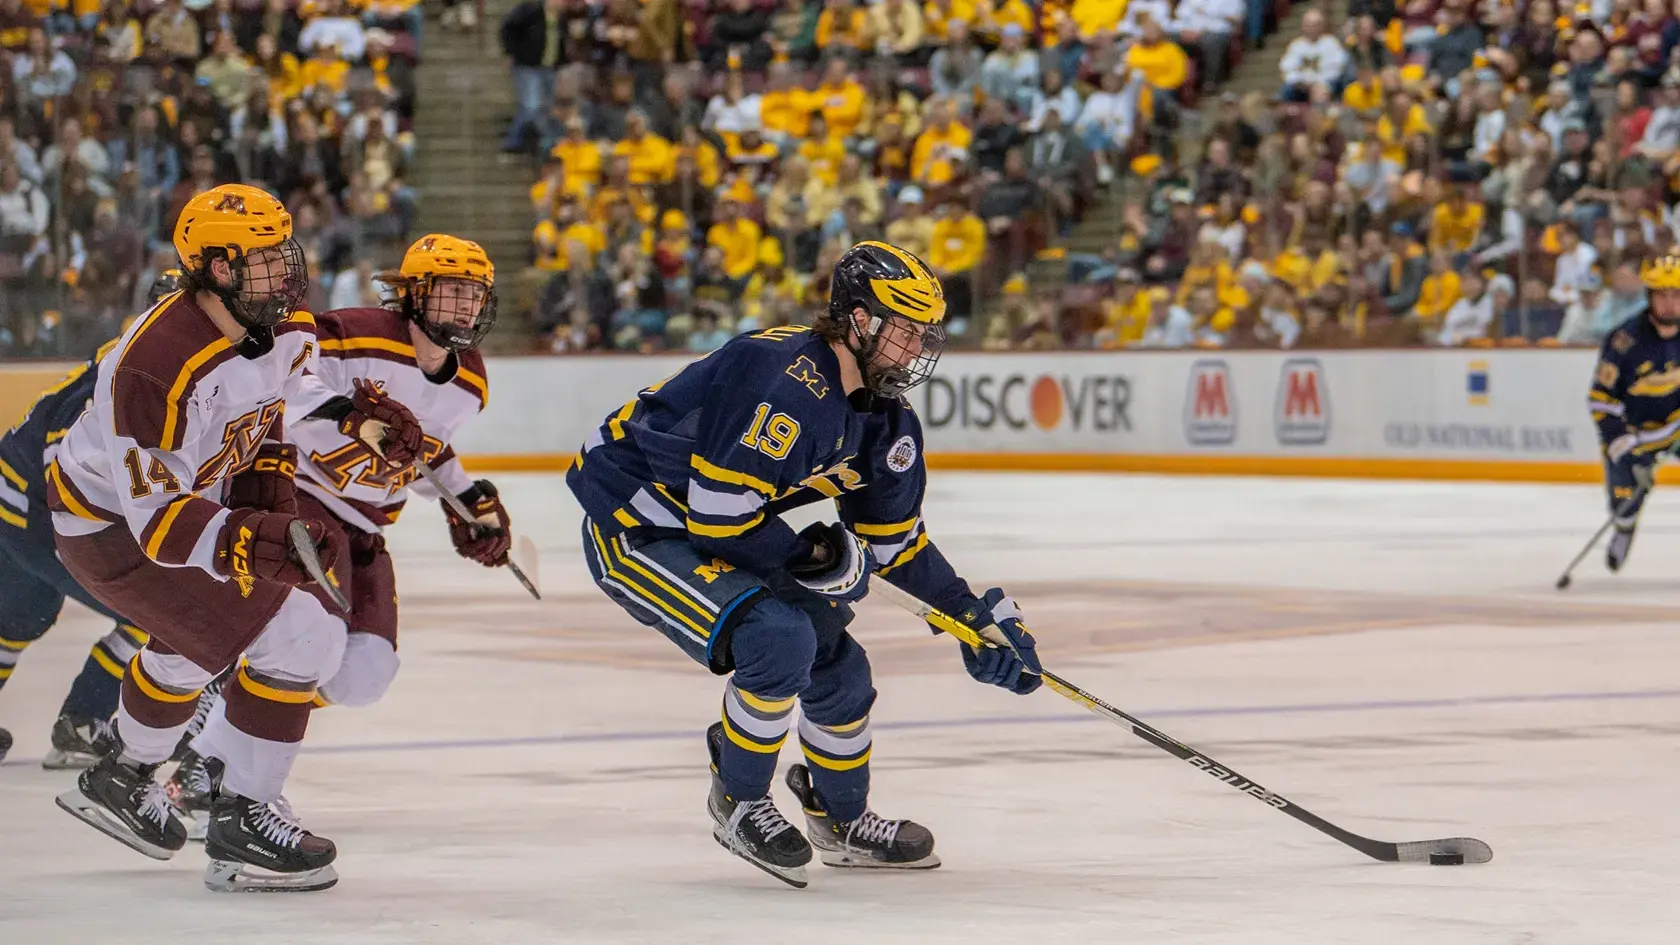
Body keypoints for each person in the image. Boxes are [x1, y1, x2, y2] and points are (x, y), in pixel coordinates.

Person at [565, 241, 1043, 888]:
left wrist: (969, 618)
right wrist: (814, 553)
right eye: (902, 331)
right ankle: (737, 797)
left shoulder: (887, 422)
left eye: (921, 335)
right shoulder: (781, 379)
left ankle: (842, 820)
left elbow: (893, 544)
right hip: (637, 521)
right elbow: (719, 518)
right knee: (778, 637)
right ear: (857, 320)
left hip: (720, 521)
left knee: (840, 666)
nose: (913, 351)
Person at [47, 184, 425, 893]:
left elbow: (292, 392)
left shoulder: (277, 322)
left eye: (285, 252)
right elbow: (158, 522)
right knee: (303, 633)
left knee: (200, 637)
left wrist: (356, 417)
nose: (286, 270)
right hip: (106, 525)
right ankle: (243, 816)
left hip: (180, 503)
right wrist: (253, 538)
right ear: (218, 268)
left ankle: (122, 773)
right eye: (264, 258)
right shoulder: (153, 365)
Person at [166, 234, 507, 835]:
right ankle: (207, 758)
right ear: (414, 294)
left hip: (366, 527)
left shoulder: (470, 383)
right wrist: (349, 413)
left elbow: (421, 452)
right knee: (314, 644)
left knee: (364, 673)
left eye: (473, 296)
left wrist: (464, 498)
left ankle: (232, 710)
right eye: (451, 292)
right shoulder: (354, 332)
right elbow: (276, 377)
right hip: (299, 497)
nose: (464, 309)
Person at [0, 271, 180, 769]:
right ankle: (84, 718)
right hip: (33, 509)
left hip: (12, 494)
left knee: (18, 617)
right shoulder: (132, 371)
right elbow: (68, 457)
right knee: (154, 610)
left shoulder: (131, 354)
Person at [1589, 256, 1680, 572]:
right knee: (1625, 501)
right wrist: (1626, 450)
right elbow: (1601, 401)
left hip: (1677, 426)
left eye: (1677, 295)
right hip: (1635, 434)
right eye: (1662, 295)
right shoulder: (1623, 341)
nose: (1670, 304)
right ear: (1649, 296)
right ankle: (1624, 528)